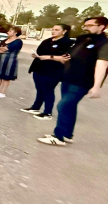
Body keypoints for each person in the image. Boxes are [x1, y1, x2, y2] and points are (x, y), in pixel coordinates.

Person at [38, 17, 108, 146]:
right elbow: (71, 54)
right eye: (85, 25)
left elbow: (102, 65)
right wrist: (64, 58)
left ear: (101, 26)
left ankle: (58, 137)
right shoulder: (83, 38)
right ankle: (67, 134)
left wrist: (96, 86)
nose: (86, 28)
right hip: (68, 77)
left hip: (83, 81)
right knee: (70, 107)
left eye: (90, 25)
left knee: (63, 105)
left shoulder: (104, 43)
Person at [21, 24, 72, 120]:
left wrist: (49, 57)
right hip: (39, 68)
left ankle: (47, 112)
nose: (53, 31)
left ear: (64, 31)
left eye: (57, 30)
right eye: (53, 29)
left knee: (48, 90)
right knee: (40, 89)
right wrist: (36, 55)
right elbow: (40, 52)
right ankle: (35, 107)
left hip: (53, 71)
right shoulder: (47, 41)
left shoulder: (67, 43)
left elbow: (65, 58)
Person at [0, 26, 23, 98]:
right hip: (1, 59)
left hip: (10, 60)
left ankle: (3, 92)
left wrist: (2, 49)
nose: (8, 32)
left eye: (10, 31)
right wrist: (0, 49)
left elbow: (6, 48)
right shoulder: (5, 40)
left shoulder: (18, 41)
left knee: (6, 77)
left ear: (15, 33)